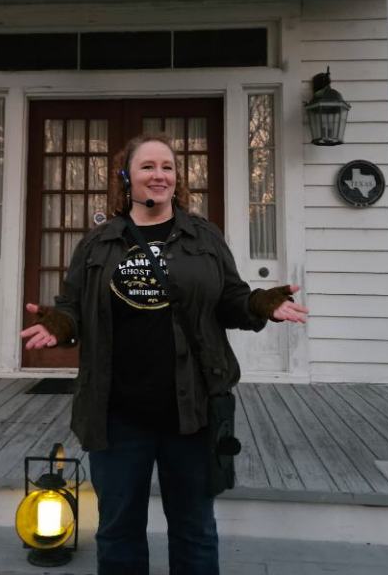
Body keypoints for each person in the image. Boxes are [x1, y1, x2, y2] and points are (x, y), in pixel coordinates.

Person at [21, 133, 307, 575]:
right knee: (118, 530)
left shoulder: (203, 237)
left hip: (191, 412)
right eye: (148, 167)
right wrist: (58, 325)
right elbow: (72, 306)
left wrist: (260, 304)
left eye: (168, 167)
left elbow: (231, 298)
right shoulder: (99, 243)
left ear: (177, 178)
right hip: (116, 414)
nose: (159, 175)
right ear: (126, 177)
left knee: (194, 529)